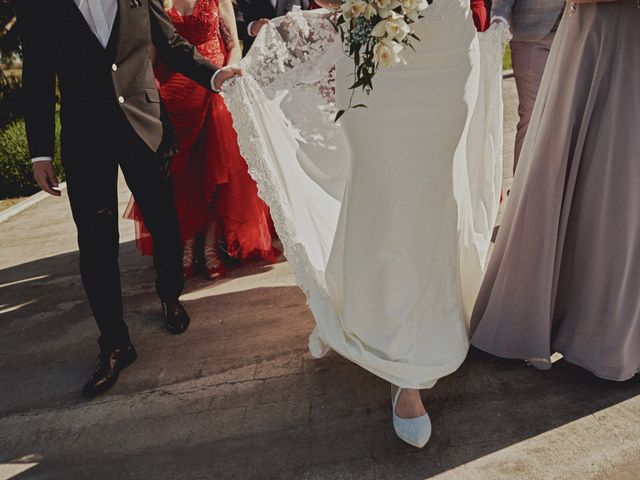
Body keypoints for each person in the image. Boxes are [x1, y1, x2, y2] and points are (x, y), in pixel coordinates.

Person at [221, 1, 507, 447]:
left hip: (446, 52)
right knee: (385, 195)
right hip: (377, 56)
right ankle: (401, 367)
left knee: (432, 197)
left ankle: (411, 317)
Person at [17, 0, 240, 398]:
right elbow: (36, 75)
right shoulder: (40, 7)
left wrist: (215, 76)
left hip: (146, 127)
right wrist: (40, 153)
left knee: (164, 221)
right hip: (85, 140)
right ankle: (115, 343)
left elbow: (170, 44)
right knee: (95, 242)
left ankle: (171, 296)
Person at [471, 0, 640, 382]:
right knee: (577, 159)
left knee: (623, 173)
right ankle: (549, 316)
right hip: (596, 31)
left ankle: (618, 333)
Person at [126, 0, 279, 280]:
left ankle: (209, 247)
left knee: (214, 172)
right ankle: (186, 244)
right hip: (173, 94)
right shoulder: (157, 3)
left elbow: (233, 46)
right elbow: (153, 51)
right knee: (181, 176)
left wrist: (226, 77)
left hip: (213, 90)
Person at [491, 0, 564, 170]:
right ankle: (522, 188)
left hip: (579, 29)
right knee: (533, 115)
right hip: (533, 31)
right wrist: (499, 14)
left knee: (570, 117)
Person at [234, 0, 311, 55]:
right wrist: (252, 27)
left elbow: (309, 17)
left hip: (294, 57)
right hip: (260, 60)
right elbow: (234, 25)